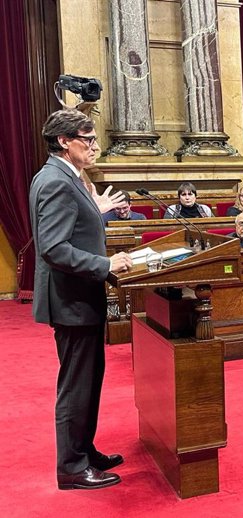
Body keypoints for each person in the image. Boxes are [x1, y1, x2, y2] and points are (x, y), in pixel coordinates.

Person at [29, 109, 133, 490]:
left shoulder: (63, 178)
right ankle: (72, 468)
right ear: (63, 141)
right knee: (76, 385)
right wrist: (105, 263)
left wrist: (96, 210)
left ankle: (84, 450)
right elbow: (54, 248)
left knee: (89, 382)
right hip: (72, 301)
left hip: (80, 298)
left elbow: (71, 228)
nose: (94, 145)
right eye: (86, 138)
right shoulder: (57, 181)